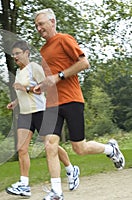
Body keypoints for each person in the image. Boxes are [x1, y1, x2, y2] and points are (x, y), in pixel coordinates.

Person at [33, 8, 125, 200]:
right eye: (36, 25)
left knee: (79, 148)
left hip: (72, 100)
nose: (38, 28)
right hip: (52, 104)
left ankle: (111, 150)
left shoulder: (64, 39)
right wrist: (42, 85)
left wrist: (57, 77)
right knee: (50, 144)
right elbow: (51, 79)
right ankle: (57, 191)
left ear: (52, 22)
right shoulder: (42, 50)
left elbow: (84, 63)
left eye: (41, 23)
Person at [5, 40, 80, 197]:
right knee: (22, 148)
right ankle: (24, 185)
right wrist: (16, 102)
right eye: (13, 54)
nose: (15, 57)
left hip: (41, 112)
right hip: (25, 114)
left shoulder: (35, 68)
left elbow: (44, 88)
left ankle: (71, 169)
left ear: (26, 53)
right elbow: (23, 93)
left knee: (51, 146)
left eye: (17, 53)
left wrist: (24, 88)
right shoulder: (19, 72)